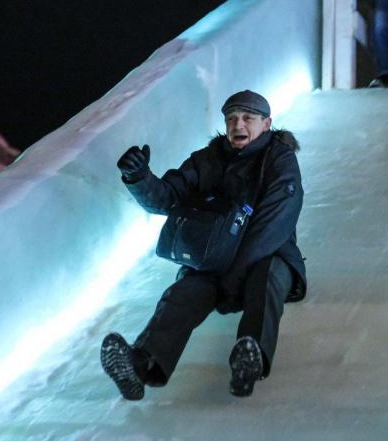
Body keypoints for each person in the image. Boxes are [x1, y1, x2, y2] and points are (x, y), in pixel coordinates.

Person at [100, 90, 306, 400]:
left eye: (248, 118)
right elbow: (168, 199)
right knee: (182, 293)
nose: (238, 125)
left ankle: (249, 358)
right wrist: (139, 177)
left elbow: (272, 225)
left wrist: (233, 277)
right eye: (231, 118)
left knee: (267, 279)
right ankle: (141, 365)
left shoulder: (279, 159)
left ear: (266, 124)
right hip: (214, 253)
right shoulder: (209, 159)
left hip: (266, 252)